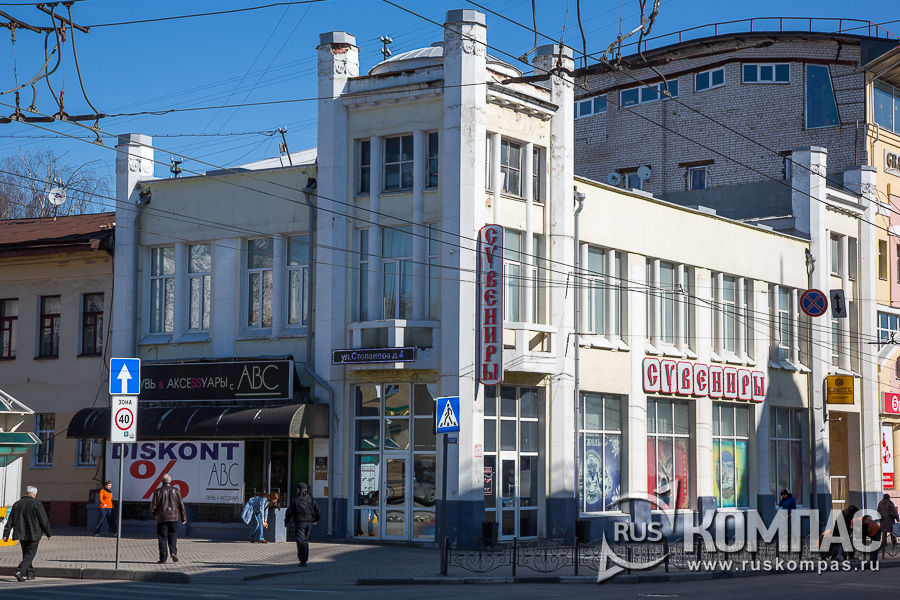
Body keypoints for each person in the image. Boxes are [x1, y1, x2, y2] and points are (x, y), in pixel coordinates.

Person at [2, 485, 51, 582]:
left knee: (26, 553)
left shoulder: (17, 504)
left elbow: (10, 520)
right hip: (34, 533)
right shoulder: (37, 504)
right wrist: (48, 533)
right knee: (30, 554)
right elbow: (43, 520)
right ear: (34, 494)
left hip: (21, 533)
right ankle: (19, 571)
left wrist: (5, 534)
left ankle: (30, 574)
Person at [150, 474, 186, 564]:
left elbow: (153, 506)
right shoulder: (176, 491)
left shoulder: (158, 491)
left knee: (162, 538)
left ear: (162, 481)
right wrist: (183, 518)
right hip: (174, 518)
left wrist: (155, 515)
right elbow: (181, 505)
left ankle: (163, 559)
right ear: (170, 481)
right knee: (173, 536)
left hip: (162, 518)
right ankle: (173, 552)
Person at [285, 483, 320, 567]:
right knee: (305, 541)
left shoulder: (295, 500)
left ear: (298, 490)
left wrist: (286, 521)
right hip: (309, 523)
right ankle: (304, 559)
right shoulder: (311, 499)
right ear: (306, 489)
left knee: (300, 541)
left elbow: (289, 512)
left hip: (300, 523)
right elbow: (317, 510)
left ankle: (302, 560)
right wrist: (316, 520)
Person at [878, 493, 899, 558]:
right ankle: (893, 542)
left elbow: (878, 511)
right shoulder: (890, 503)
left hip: (883, 521)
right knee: (892, 531)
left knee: (884, 532)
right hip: (889, 520)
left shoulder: (880, 503)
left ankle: (884, 543)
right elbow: (894, 511)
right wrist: (897, 518)